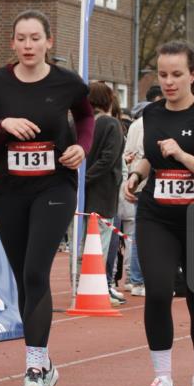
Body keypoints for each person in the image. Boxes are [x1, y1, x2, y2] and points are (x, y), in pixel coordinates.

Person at [0, 9, 94, 386]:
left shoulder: (66, 82)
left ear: (48, 42)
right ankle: (44, 362)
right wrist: (4, 126)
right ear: (13, 43)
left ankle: (36, 367)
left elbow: (87, 116)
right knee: (24, 277)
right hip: (9, 190)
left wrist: (81, 147)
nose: (28, 45)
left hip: (54, 185)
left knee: (36, 272)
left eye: (34, 38)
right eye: (21, 38)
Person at [124, 41, 194, 386]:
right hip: (158, 215)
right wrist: (136, 174)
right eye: (163, 74)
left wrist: (184, 155)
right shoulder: (151, 115)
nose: (168, 82)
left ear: (193, 75)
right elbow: (150, 159)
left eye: (176, 75)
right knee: (156, 292)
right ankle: (163, 381)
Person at [119, 84, 163, 297]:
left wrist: (131, 177)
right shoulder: (155, 124)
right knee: (143, 233)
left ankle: (134, 278)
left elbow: (128, 153)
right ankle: (138, 279)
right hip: (149, 183)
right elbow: (151, 155)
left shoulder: (135, 125)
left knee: (137, 231)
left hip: (136, 182)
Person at [84, 81, 125, 305]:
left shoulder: (78, 124)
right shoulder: (112, 125)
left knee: (82, 246)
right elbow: (109, 159)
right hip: (103, 193)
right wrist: (88, 178)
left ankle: (83, 287)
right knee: (99, 244)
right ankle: (97, 289)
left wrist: (81, 180)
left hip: (82, 194)